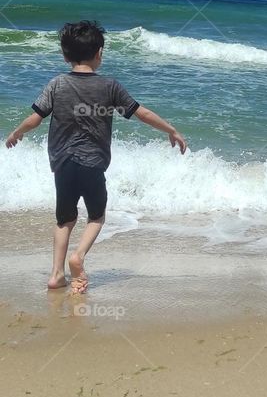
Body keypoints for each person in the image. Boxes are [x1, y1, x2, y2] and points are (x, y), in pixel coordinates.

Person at [5, 20, 186, 293]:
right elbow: (141, 113)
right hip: (93, 165)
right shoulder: (110, 86)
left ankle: (56, 275)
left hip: (63, 164)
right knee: (97, 216)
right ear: (99, 52)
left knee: (64, 220)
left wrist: (17, 133)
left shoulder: (56, 85)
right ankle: (78, 256)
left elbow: (35, 118)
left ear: (65, 55)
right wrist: (170, 129)